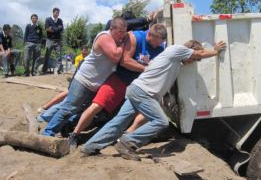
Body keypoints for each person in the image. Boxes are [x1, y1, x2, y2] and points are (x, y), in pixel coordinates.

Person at [81, 40, 226, 159]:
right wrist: (215, 51)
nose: (192, 61)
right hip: (143, 92)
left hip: (136, 90)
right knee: (161, 121)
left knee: (118, 122)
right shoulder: (176, 50)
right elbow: (199, 52)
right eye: (193, 59)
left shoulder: (173, 62)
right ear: (189, 51)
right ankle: (127, 142)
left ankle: (90, 147)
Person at [68, 24, 167, 147]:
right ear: (149, 34)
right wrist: (146, 69)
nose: (157, 46)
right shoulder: (135, 38)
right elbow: (125, 61)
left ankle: (125, 136)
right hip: (120, 80)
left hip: (138, 87)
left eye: (160, 43)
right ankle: (74, 134)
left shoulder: (160, 49)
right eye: (156, 42)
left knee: (127, 115)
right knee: (97, 106)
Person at [41, 17, 129, 137]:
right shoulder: (105, 37)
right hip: (84, 81)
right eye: (120, 32)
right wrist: (125, 42)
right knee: (68, 109)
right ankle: (47, 133)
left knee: (79, 110)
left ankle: (63, 127)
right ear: (111, 28)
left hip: (94, 84)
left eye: (125, 32)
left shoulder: (116, 41)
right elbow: (115, 56)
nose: (122, 35)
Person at [43, 7, 64, 74]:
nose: (57, 14)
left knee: (59, 55)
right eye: (56, 12)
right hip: (49, 40)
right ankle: (44, 69)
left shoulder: (60, 20)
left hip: (58, 40)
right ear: (53, 12)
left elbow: (61, 29)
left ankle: (59, 70)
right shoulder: (48, 19)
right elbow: (47, 29)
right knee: (47, 55)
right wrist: (57, 29)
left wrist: (53, 28)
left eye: (58, 13)